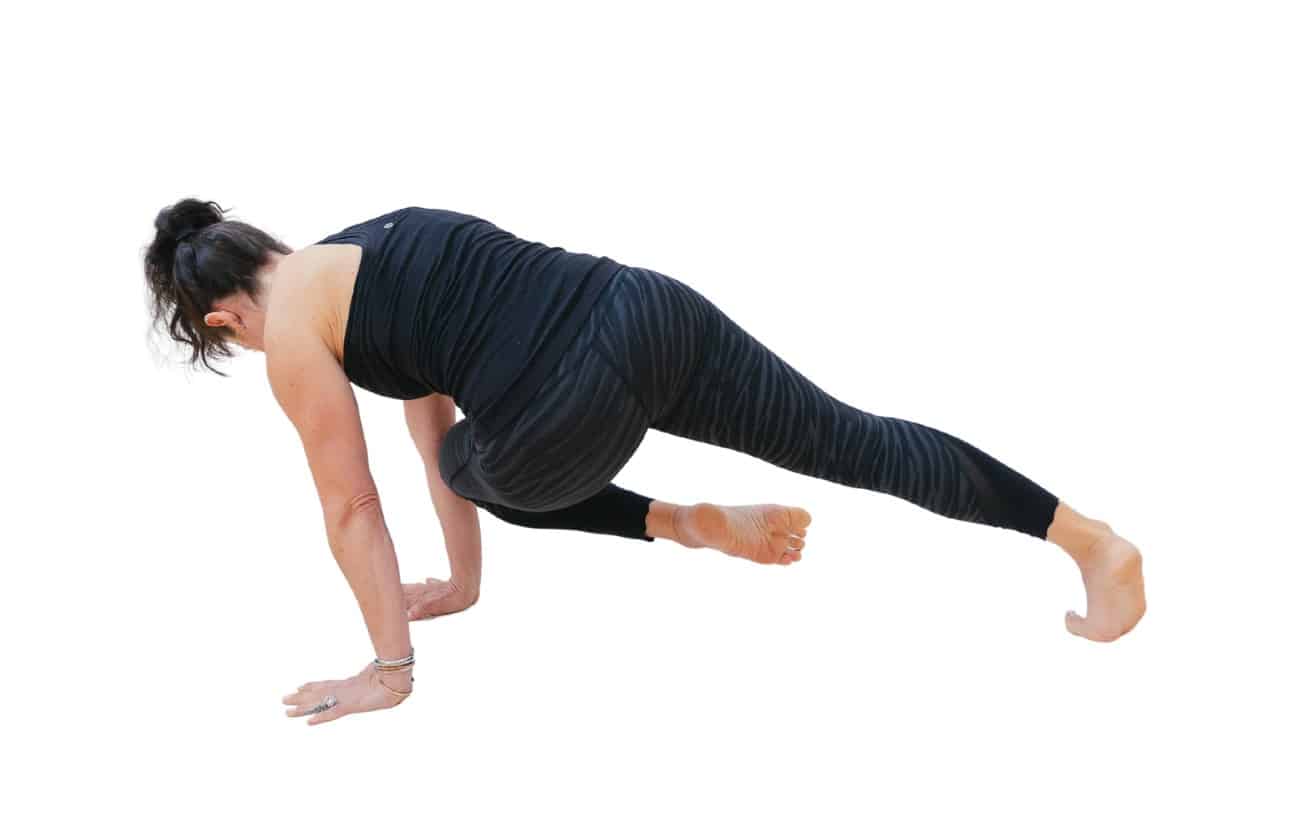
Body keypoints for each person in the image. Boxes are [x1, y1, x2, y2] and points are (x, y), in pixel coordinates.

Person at [142, 198, 1146, 725]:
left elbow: (352, 504)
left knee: (473, 462)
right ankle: (1088, 542)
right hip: (646, 310)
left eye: (226, 337)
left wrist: (390, 668)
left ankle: (678, 521)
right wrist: (462, 581)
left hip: (564, 405)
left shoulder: (290, 335)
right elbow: (429, 424)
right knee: (854, 437)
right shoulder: (364, 246)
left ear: (226, 316)